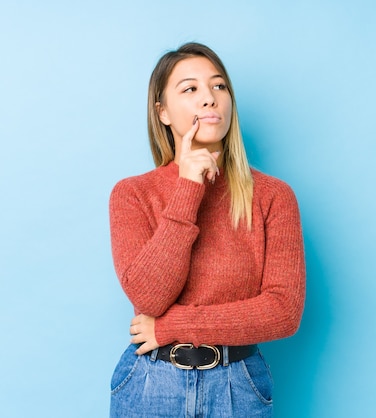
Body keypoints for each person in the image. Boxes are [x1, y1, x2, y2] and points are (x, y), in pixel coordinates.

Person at [108, 42, 306, 417]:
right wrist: (188, 187)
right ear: (162, 112)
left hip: (239, 385)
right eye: (190, 89)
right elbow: (149, 298)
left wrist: (172, 326)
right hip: (151, 384)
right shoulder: (132, 194)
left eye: (219, 86)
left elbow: (283, 311)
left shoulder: (273, 196)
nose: (210, 99)